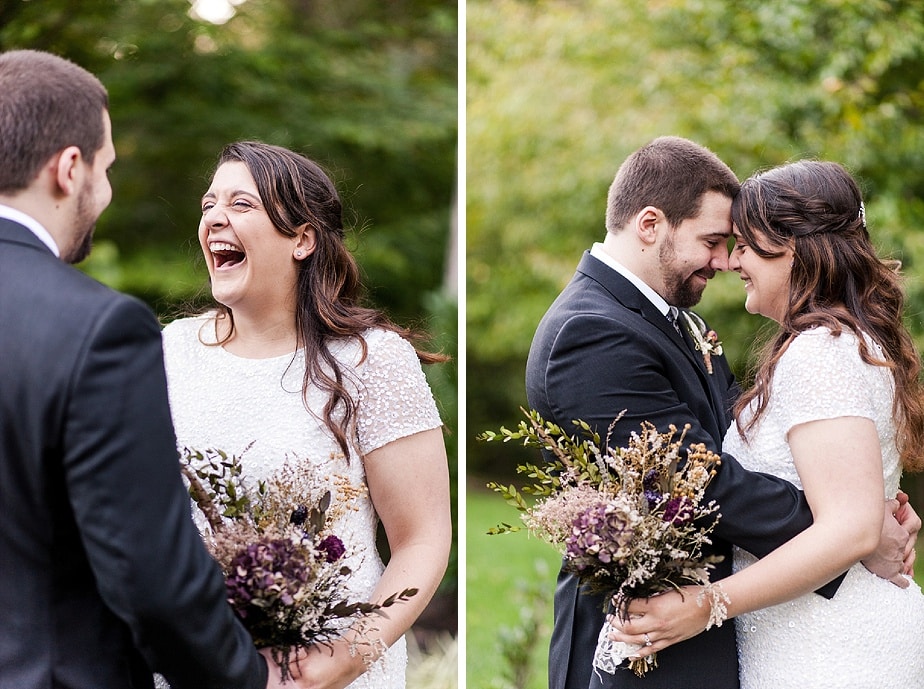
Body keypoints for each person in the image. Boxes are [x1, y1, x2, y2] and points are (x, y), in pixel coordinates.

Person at [524, 136, 920, 689]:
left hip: (760, 633)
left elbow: (734, 450)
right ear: (650, 225)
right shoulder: (591, 331)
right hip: (645, 642)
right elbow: (691, 481)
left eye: (737, 245)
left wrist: (852, 517)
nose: (725, 260)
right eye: (713, 241)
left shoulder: (681, 321)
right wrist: (857, 527)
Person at [0, 49, 290, 688]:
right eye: (105, 168)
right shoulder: (97, 329)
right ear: (68, 169)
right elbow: (151, 579)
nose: (105, 191)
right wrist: (245, 678)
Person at [160, 141, 452, 689]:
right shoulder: (169, 352)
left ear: (302, 239)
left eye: (241, 204)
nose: (215, 218)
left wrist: (344, 659)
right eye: (208, 204)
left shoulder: (371, 360)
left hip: (322, 674)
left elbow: (423, 537)